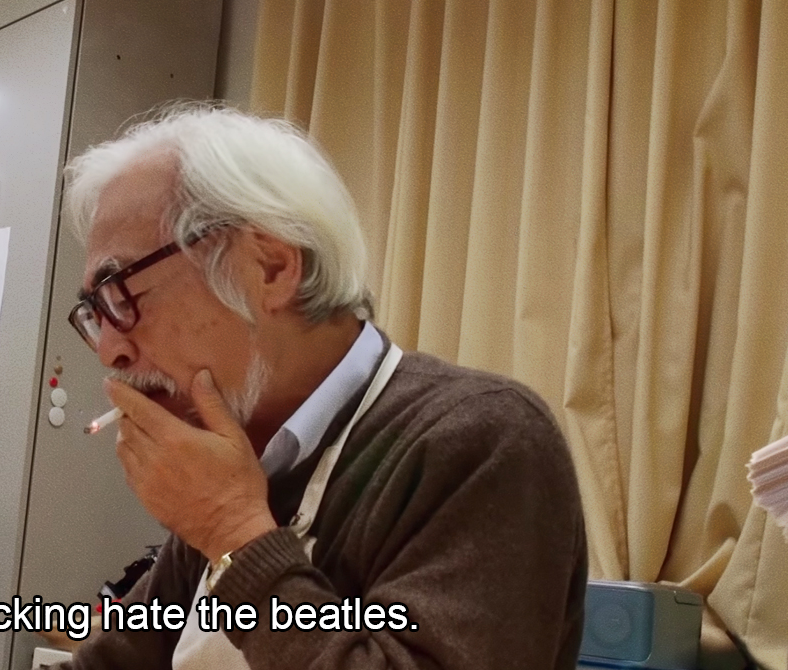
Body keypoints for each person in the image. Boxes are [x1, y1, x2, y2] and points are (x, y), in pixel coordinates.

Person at [60, 105, 587, 669]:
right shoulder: (242, 460)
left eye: (120, 292)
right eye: (95, 310)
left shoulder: (484, 440)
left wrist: (233, 531)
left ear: (270, 267)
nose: (110, 350)